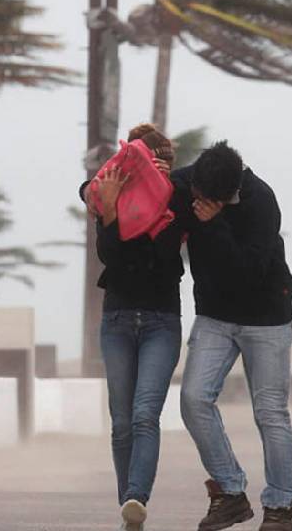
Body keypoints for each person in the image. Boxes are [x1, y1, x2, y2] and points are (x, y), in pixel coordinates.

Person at [172, 141, 292, 531]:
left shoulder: (261, 200)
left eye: (208, 201)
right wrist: (91, 189)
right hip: (214, 315)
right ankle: (230, 492)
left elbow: (249, 271)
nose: (196, 201)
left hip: (266, 316)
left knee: (270, 412)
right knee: (193, 399)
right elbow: (147, 187)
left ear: (228, 195)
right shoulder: (191, 181)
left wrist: (215, 224)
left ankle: (279, 506)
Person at [82, 123, 190, 531]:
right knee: (121, 419)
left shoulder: (177, 202)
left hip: (162, 320)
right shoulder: (110, 196)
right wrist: (110, 208)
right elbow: (112, 256)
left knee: (145, 413)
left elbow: (164, 256)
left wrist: (162, 195)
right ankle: (129, 506)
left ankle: (136, 497)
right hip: (118, 319)